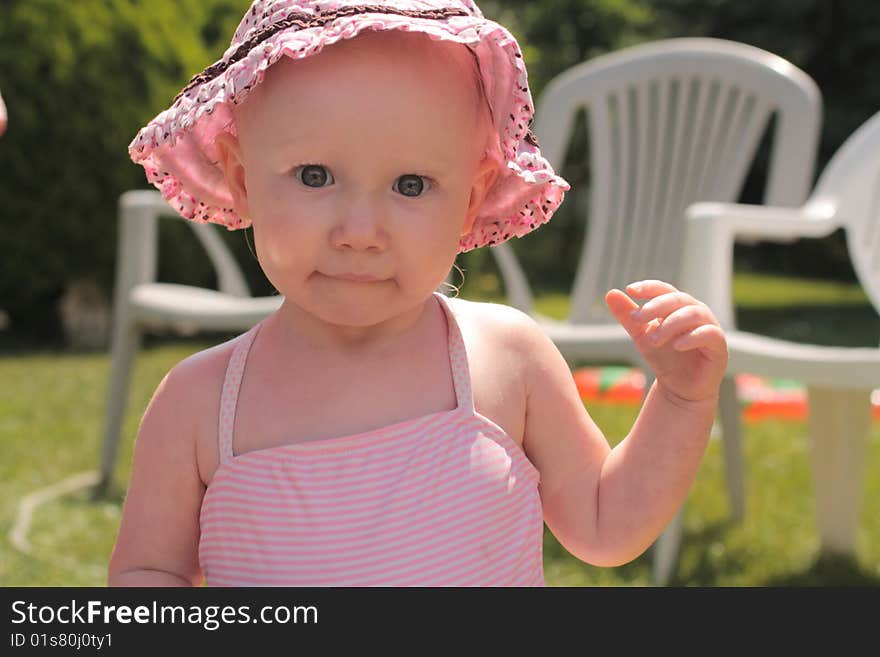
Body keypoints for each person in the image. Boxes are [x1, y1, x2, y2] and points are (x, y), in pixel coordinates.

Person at [108, 0, 728, 587]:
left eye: (411, 184)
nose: (360, 233)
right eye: (315, 177)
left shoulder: (509, 361)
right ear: (242, 180)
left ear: (471, 199)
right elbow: (149, 570)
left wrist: (680, 399)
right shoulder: (199, 403)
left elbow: (604, 523)